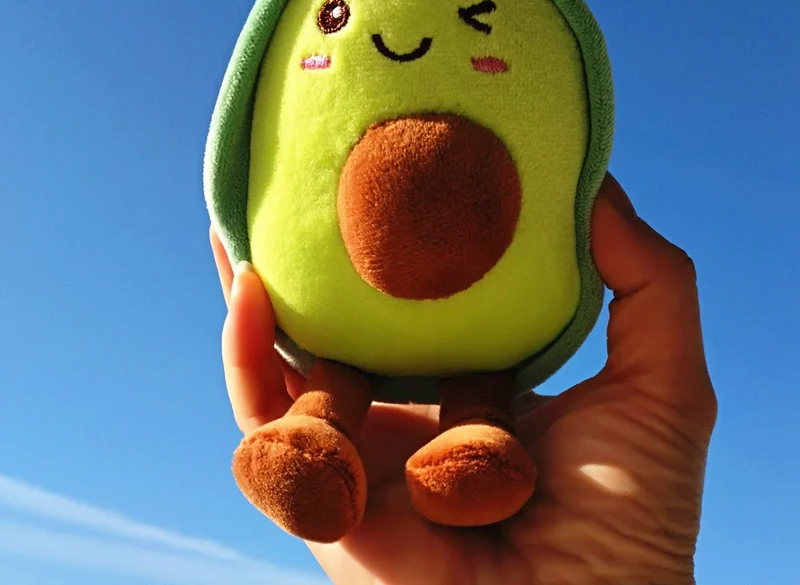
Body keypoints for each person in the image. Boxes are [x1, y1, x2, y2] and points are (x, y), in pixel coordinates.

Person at [210, 175, 717, 584]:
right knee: (351, 386)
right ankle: (318, 442)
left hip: (467, 358)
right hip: (363, 348)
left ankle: (474, 455)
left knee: (477, 398)